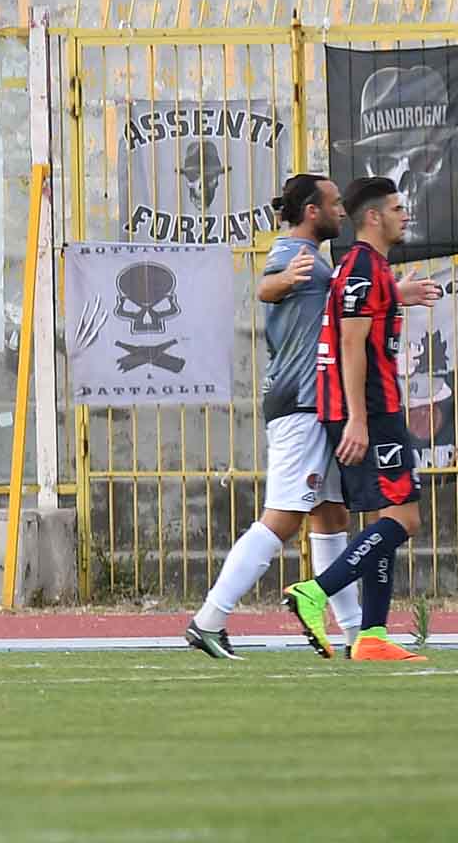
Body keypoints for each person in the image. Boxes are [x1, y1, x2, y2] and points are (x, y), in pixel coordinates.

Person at [185, 174, 437, 657]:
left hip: (317, 405)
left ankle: (354, 634)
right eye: (333, 203)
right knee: (283, 517)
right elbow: (267, 288)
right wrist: (279, 282)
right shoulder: (294, 253)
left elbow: (344, 307)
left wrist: (391, 293)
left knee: (331, 516)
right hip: (300, 402)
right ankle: (210, 618)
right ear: (311, 212)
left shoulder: (326, 264)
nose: (340, 210)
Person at [284, 177, 428, 662]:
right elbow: (350, 342)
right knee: (405, 517)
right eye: (395, 207)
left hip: (370, 408)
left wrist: (398, 293)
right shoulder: (364, 267)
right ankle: (315, 592)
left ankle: (371, 637)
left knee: (387, 516)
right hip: (368, 410)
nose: (403, 214)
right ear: (374, 217)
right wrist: (359, 421)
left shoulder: (373, 269)